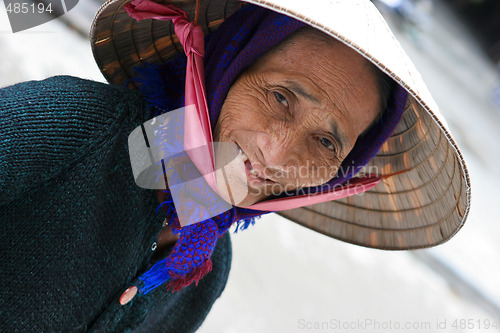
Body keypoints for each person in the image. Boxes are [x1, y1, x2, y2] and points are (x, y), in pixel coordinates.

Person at [0, 0, 470, 331]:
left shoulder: (204, 270)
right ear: (229, 64)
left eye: (326, 141)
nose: (278, 153)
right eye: (280, 97)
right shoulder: (74, 130)